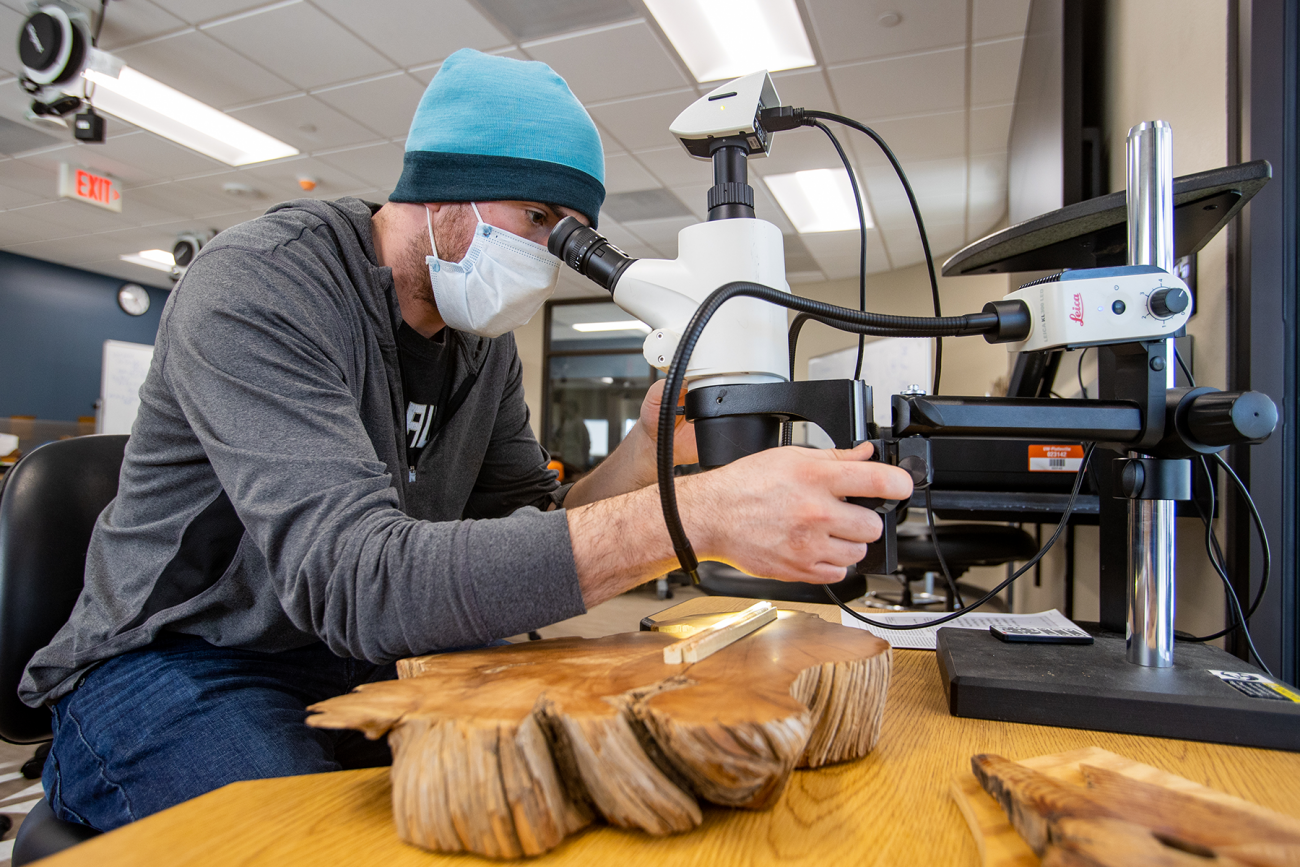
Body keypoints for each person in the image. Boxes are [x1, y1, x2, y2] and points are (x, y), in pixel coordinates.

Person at [19, 49, 911, 831]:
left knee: (548, 797)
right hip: (168, 667)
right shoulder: (260, 286)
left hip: (350, 663)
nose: (547, 255)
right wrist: (698, 521)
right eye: (538, 222)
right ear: (447, 196)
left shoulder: (477, 352)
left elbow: (527, 531)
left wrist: (651, 463)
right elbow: (360, 581)